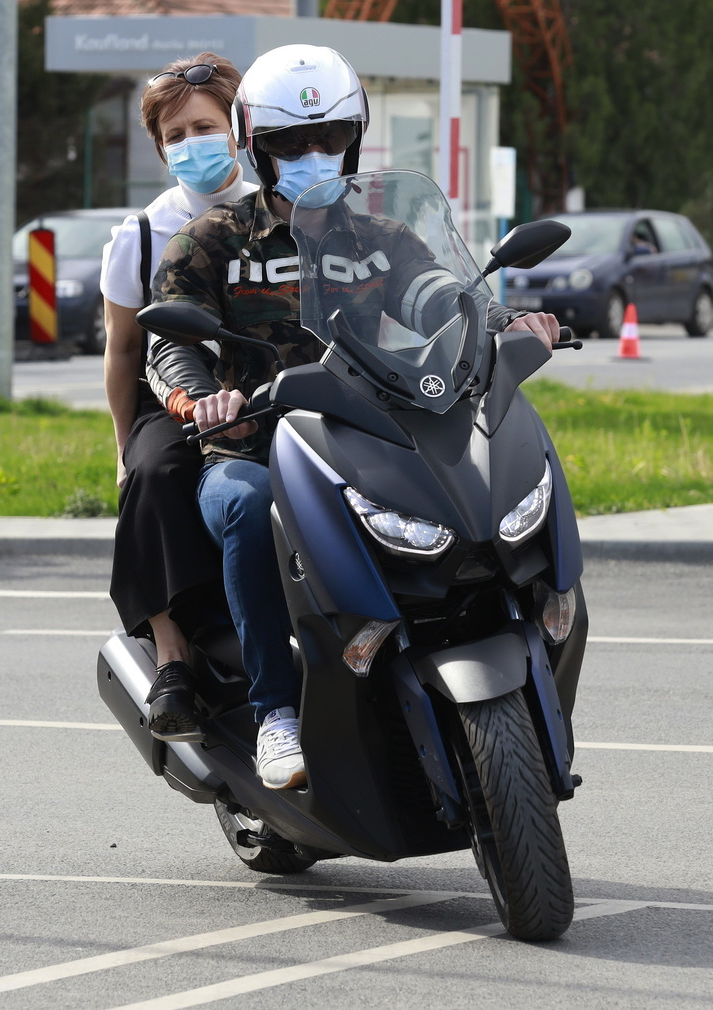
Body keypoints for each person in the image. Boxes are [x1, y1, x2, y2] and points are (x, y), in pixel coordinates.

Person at [148, 44, 561, 791]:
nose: (314, 155)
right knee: (246, 509)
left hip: (368, 437)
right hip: (253, 446)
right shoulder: (209, 242)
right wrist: (201, 398)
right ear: (257, 147)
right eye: (290, 143)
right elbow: (169, 345)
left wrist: (507, 324)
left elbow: (442, 296)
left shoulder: (382, 239)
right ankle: (276, 713)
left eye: (330, 138)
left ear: (355, 140)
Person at [101, 52, 257, 741]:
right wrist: (122, 447)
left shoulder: (280, 215)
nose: (192, 144)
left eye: (205, 127)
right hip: (172, 397)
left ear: (240, 129)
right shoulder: (140, 236)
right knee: (159, 472)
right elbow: (126, 351)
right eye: (175, 137)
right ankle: (173, 660)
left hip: (263, 384)